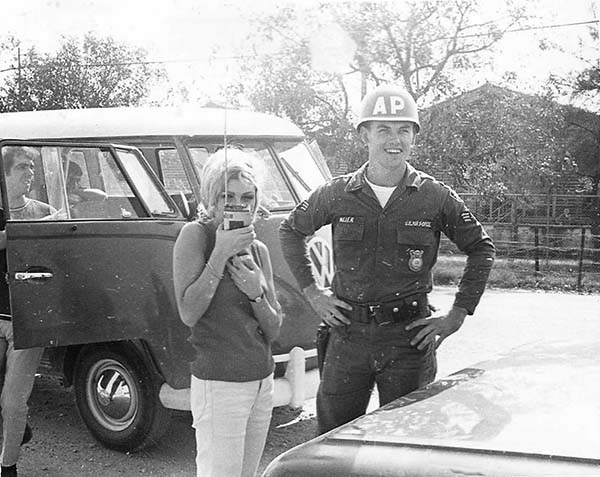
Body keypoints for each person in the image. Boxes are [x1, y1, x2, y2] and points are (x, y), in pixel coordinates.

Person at [279, 84, 496, 434]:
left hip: (409, 339)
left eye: (403, 130)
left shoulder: (434, 196)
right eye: (383, 130)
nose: (393, 140)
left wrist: (457, 314)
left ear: (414, 137)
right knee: (335, 443)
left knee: (408, 441)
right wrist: (312, 293)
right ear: (365, 134)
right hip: (347, 335)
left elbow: (481, 247)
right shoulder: (337, 193)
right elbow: (291, 231)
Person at [172, 148, 282, 477]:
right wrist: (219, 254)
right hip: (221, 386)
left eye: (247, 197)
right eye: (227, 196)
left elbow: (274, 327)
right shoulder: (196, 236)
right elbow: (188, 312)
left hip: (261, 382)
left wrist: (255, 292)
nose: (239, 205)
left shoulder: (258, 248)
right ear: (212, 199)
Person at [0, 146, 51, 477]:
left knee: (14, 401)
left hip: (27, 321)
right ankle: (18, 431)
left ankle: (8, 466)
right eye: (21, 167)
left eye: (31, 167)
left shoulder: (44, 212)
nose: (29, 173)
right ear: (3, 176)